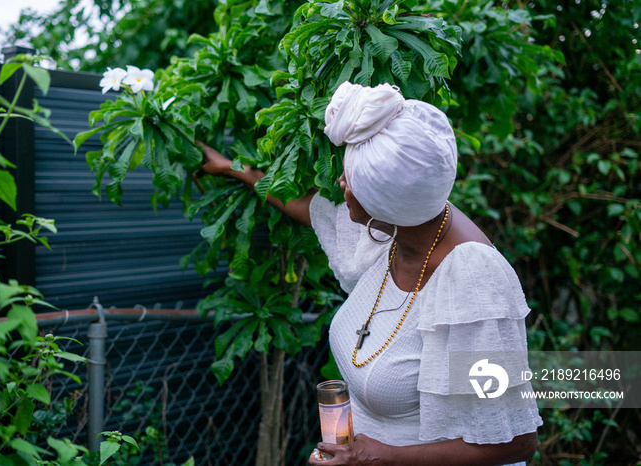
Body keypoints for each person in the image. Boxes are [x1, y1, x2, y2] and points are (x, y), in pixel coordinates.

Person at [197, 81, 542, 465]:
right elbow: (312, 210)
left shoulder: (471, 281)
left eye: (351, 180)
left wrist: (383, 456)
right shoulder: (401, 225)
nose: (340, 185)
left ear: (385, 205)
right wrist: (235, 169)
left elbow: (515, 441)